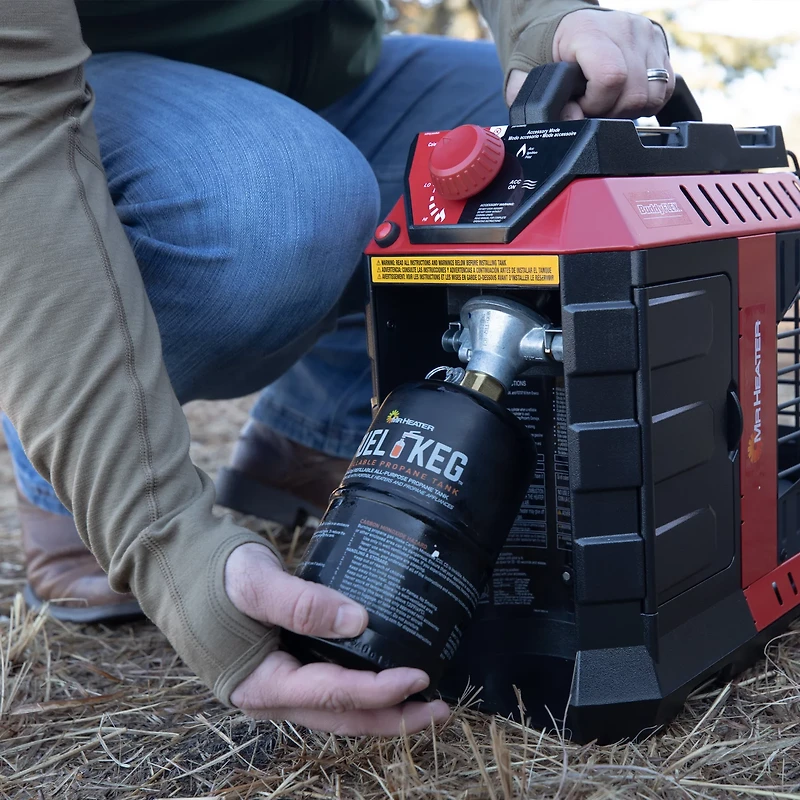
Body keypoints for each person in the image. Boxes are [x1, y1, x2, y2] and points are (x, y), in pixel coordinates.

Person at [0, 0, 673, 736]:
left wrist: (549, 22)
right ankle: (56, 479)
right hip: (64, 91)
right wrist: (159, 536)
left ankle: (313, 430)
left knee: (564, 132)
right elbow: (15, 133)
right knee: (279, 208)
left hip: (324, 76)